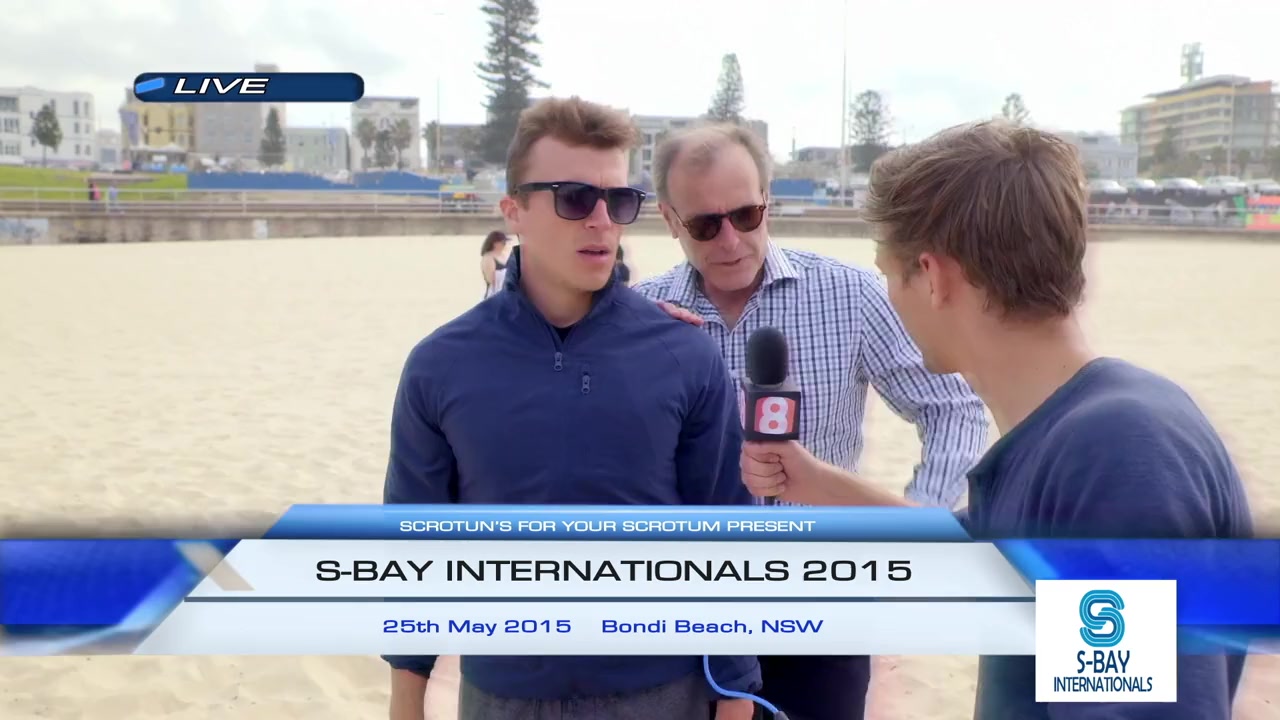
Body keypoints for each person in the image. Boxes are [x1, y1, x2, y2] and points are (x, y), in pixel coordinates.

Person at [739, 120, 1253, 720]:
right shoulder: (1078, 433)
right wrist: (815, 482)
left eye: (888, 275)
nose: (889, 297)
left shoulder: (1118, 455)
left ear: (934, 277)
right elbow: (973, 555)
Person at [382, 96, 760, 720]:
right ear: (514, 212)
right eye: (576, 199)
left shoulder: (685, 354)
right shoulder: (438, 365)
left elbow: (727, 538)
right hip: (501, 696)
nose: (602, 221)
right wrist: (407, 704)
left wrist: (737, 701)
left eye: (619, 201)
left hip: (663, 692)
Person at [632, 122, 989, 720]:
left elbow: (951, 407)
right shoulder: (642, 316)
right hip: (686, 608)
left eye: (745, 215)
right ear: (670, 220)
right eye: (705, 225)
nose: (730, 240)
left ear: (767, 200)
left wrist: (916, 523)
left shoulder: (852, 296)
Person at [479, 230, 510, 298]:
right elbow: (490, 280)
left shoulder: (504, 255)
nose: (505, 245)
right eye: (503, 242)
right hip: (494, 295)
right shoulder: (488, 257)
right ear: (495, 243)